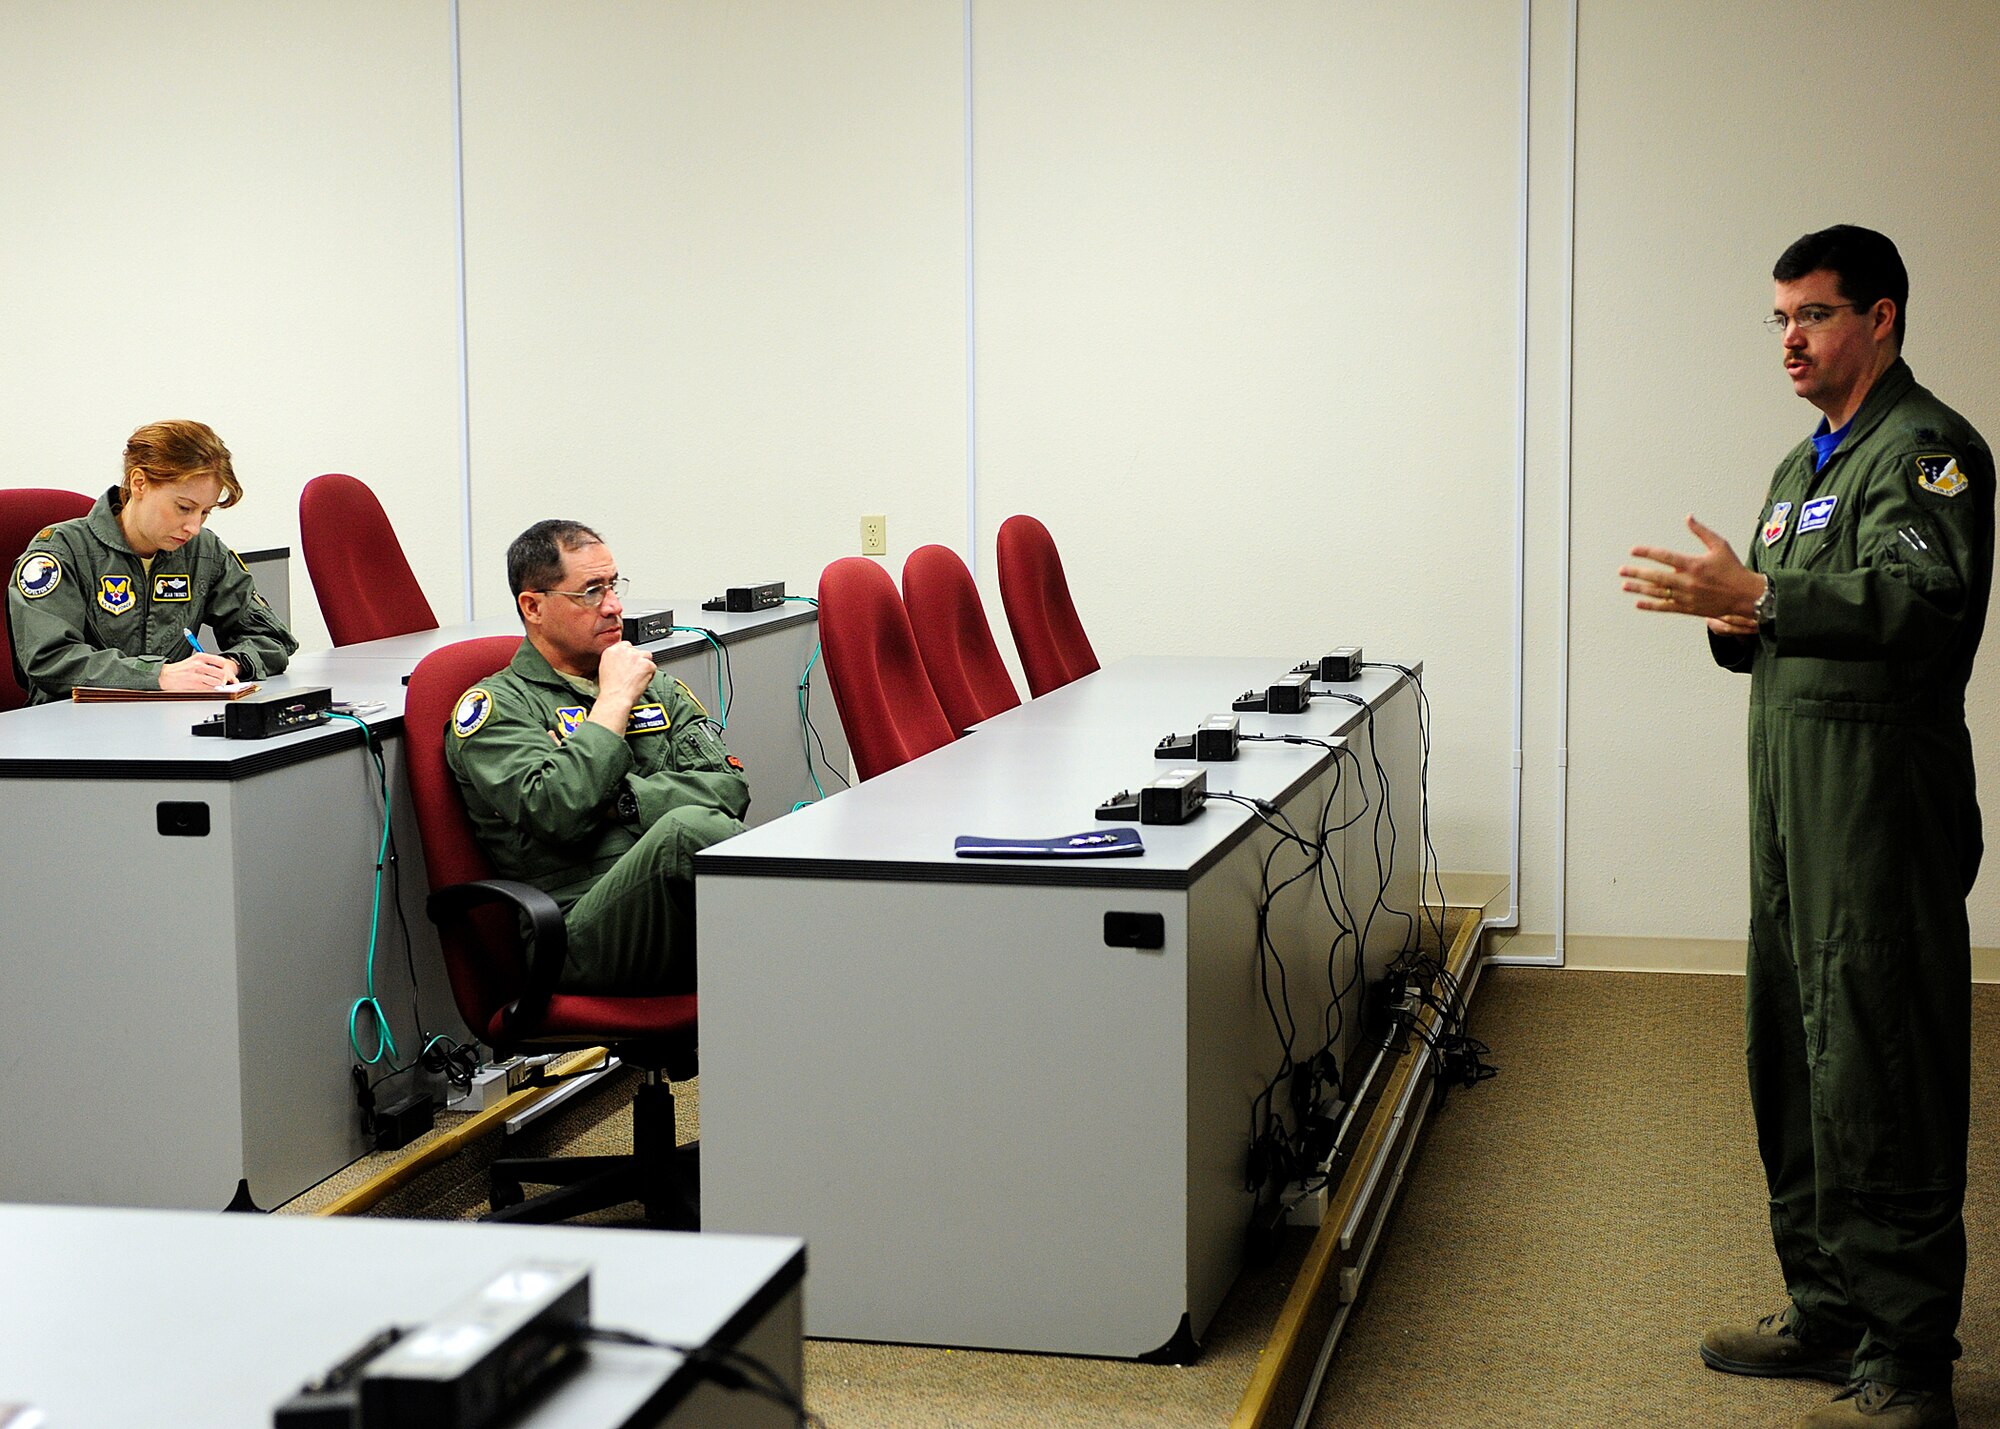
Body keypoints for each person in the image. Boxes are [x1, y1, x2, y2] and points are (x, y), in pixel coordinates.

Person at [1619, 226, 1990, 1429]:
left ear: (1878, 318)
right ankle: (1825, 1303)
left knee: (1881, 1065)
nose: (1789, 339)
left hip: (1877, 817)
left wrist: (1763, 596)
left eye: (1812, 315)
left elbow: (1921, 604)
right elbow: (1783, 623)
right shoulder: (1800, 466)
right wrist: (1731, 615)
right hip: (1790, 815)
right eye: (1777, 319)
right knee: (1791, 1055)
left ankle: (1906, 1353)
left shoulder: (1925, 452)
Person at [445, 519, 749, 994]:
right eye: (590, 592)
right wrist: (613, 702)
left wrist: (624, 801)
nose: (614, 606)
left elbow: (730, 790)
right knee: (684, 832)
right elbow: (558, 810)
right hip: (575, 933)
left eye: (613, 586)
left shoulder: (655, 686)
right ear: (534, 607)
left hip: (676, 904)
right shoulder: (497, 707)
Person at [8, 419, 297, 702]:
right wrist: (156, 675)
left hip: (169, 724)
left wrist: (233, 663)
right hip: (73, 729)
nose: (194, 527)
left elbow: (273, 637)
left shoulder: (202, 552)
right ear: (139, 483)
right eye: (184, 507)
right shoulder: (61, 551)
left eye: (205, 512)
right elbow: (49, 659)